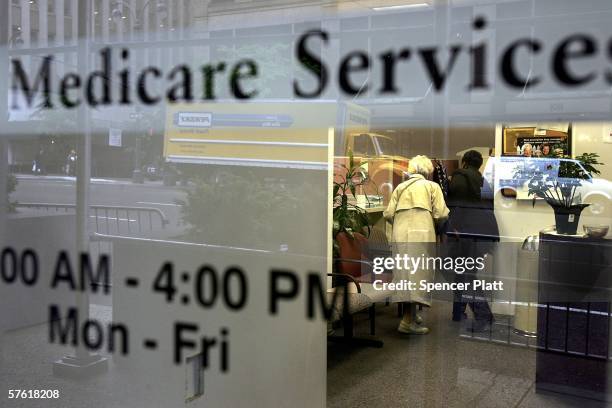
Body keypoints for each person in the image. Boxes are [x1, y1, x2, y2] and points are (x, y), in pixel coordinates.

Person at [384, 155, 449, 335]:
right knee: (418, 276)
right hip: (422, 234)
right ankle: (407, 322)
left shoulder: (400, 187)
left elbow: (388, 214)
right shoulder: (432, 186)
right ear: (428, 171)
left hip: (400, 234)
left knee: (404, 274)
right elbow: (441, 214)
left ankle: (410, 315)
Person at [446, 150, 499, 332]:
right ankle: (458, 312)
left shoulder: (459, 176)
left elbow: (456, 206)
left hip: (467, 234)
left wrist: (455, 227)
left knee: (466, 275)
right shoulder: (483, 181)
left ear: (465, 162)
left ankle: (484, 316)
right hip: (484, 233)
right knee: (464, 273)